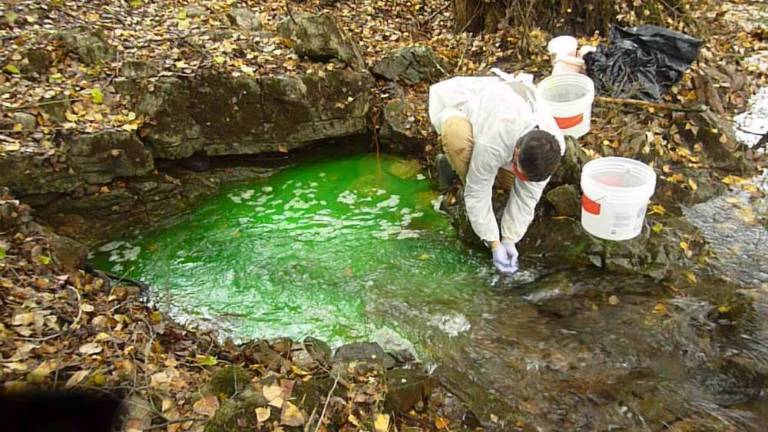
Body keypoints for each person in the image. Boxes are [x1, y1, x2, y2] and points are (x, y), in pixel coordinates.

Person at [428, 70, 565, 274]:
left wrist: (510, 239)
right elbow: (477, 192)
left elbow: (527, 198)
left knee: (510, 184)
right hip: (467, 113)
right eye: (520, 172)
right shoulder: (496, 138)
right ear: (516, 152)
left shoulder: (554, 148)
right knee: (459, 143)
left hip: (508, 134)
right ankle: (450, 165)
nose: (522, 179)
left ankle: (491, 174)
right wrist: (493, 242)